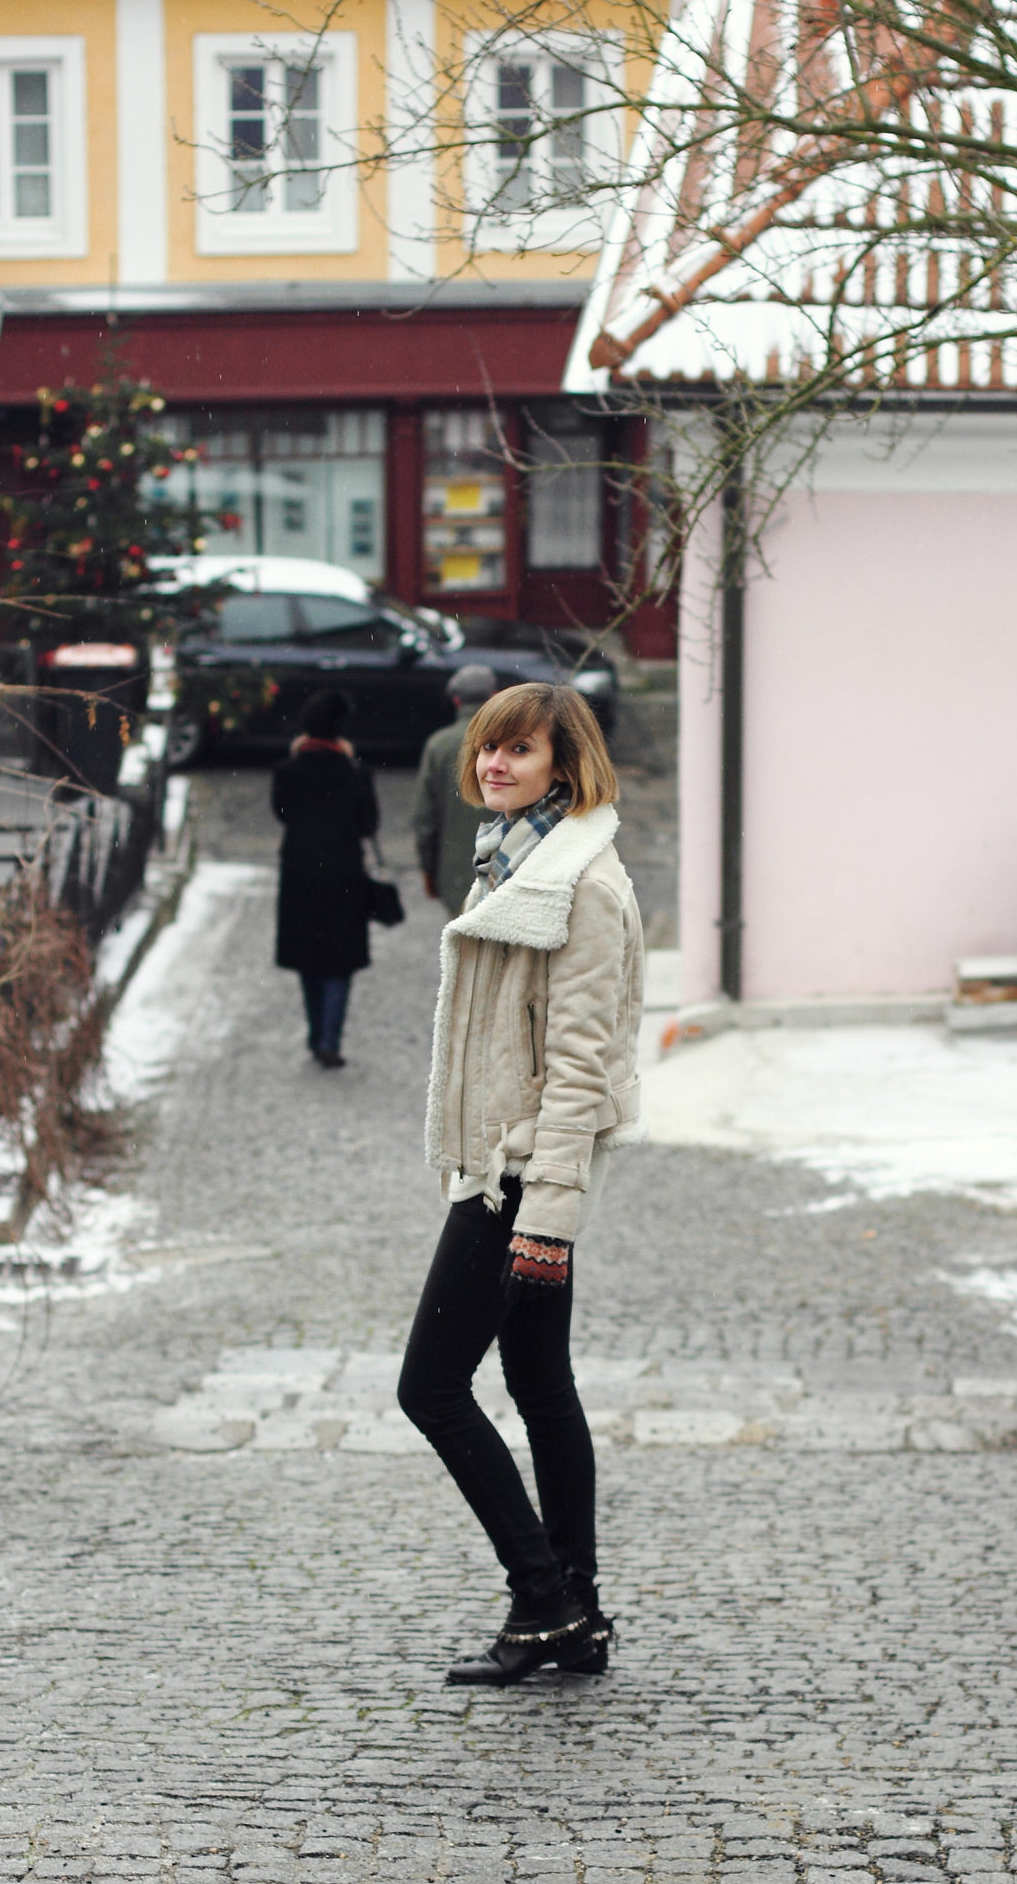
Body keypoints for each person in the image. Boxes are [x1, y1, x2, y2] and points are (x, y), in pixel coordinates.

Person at [397, 681, 643, 1685]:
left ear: (564, 765)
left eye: (519, 752)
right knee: (540, 1383)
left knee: (429, 1386)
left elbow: (581, 1064)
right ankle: (573, 1608)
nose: (494, 766)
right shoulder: (514, 858)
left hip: (516, 1178)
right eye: (487, 750)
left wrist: (545, 1214)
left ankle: (540, 1596)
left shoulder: (578, 884)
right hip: (505, 1166)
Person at [271, 689, 379, 1069]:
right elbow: (369, 824)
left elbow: (282, 814)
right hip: (343, 872)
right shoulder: (355, 772)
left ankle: (316, 1033)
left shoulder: (288, 771)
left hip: (300, 872)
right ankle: (330, 1039)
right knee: (339, 960)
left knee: (308, 958)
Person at [411, 663, 498, 918]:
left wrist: (428, 868)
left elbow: (425, 817)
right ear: (494, 696)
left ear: (457, 700)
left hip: (458, 873)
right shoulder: (516, 741)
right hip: (511, 869)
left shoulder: (439, 745)